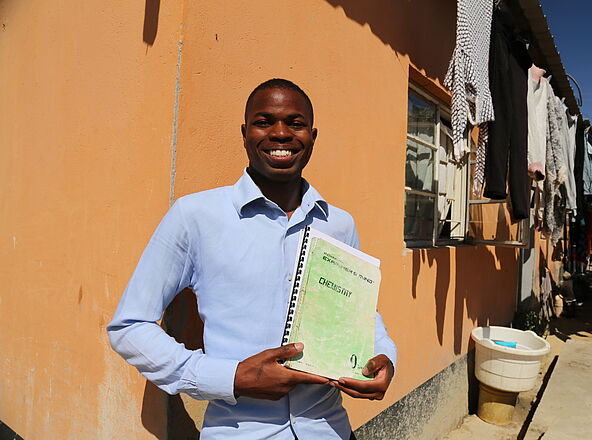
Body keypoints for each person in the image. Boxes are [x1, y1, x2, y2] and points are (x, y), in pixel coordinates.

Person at [107, 78, 397, 439]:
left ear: (312, 135)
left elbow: (360, 314)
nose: (280, 133)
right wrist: (230, 377)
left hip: (330, 429)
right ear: (245, 133)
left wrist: (385, 357)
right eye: (264, 122)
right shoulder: (196, 216)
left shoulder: (338, 224)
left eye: (295, 123)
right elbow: (129, 327)